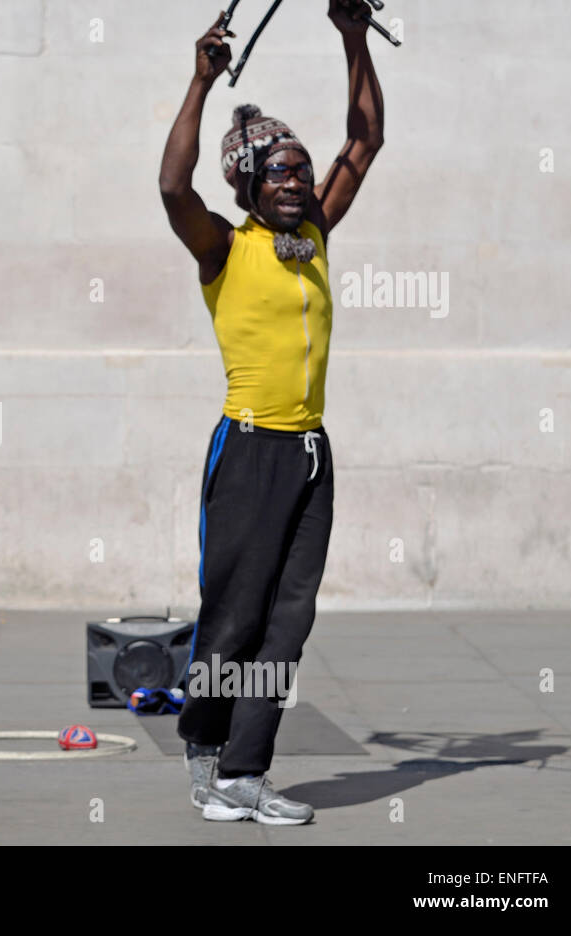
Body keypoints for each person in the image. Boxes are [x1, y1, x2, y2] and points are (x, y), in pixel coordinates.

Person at [157, 1, 385, 824]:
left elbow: (364, 143)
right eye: (280, 172)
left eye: (300, 169)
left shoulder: (315, 233)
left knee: (288, 623)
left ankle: (247, 773)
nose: (297, 181)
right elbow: (171, 184)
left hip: (310, 458)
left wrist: (352, 36)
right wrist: (200, 82)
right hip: (248, 452)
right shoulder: (224, 247)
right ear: (249, 183)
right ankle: (206, 753)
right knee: (235, 616)